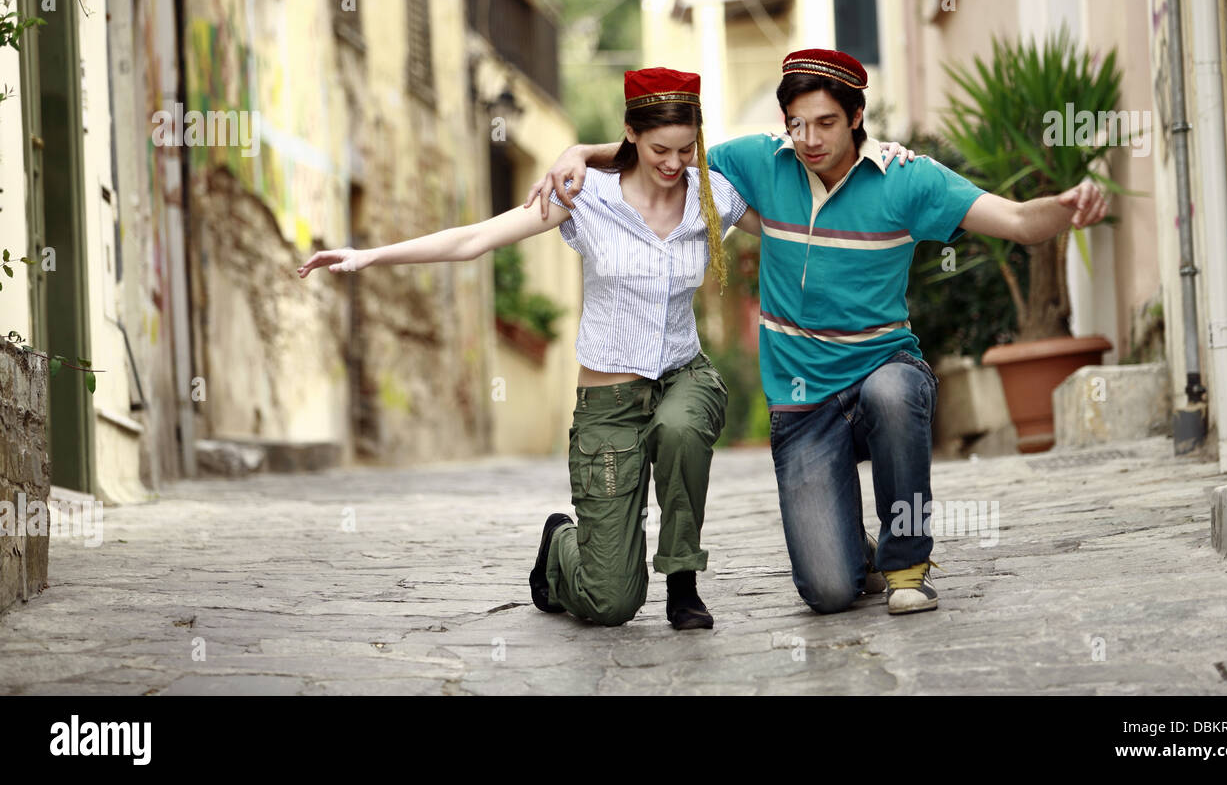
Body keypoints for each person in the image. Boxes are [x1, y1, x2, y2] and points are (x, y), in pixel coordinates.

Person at [298, 67, 913, 628]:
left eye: (685, 149)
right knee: (609, 603)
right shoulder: (583, 195)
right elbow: (476, 240)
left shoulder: (713, 194)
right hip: (608, 397)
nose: (673, 164)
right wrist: (369, 255)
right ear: (630, 137)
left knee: (680, 426)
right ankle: (563, 546)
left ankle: (682, 582)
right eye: (658, 150)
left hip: (683, 376)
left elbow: (809, 210)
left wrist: (876, 157)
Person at [530, 48, 1109, 617]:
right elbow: (668, 153)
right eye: (797, 123)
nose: (809, 138)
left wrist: (1065, 206)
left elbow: (1017, 221)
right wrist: (581, 151)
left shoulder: (907, 178)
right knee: (830, 592)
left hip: (881, 372)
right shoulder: (760, 161)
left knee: (896, 392)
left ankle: (906, 565)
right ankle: (852, 546)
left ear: (857, 116)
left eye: (826, 122)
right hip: (803, 404)